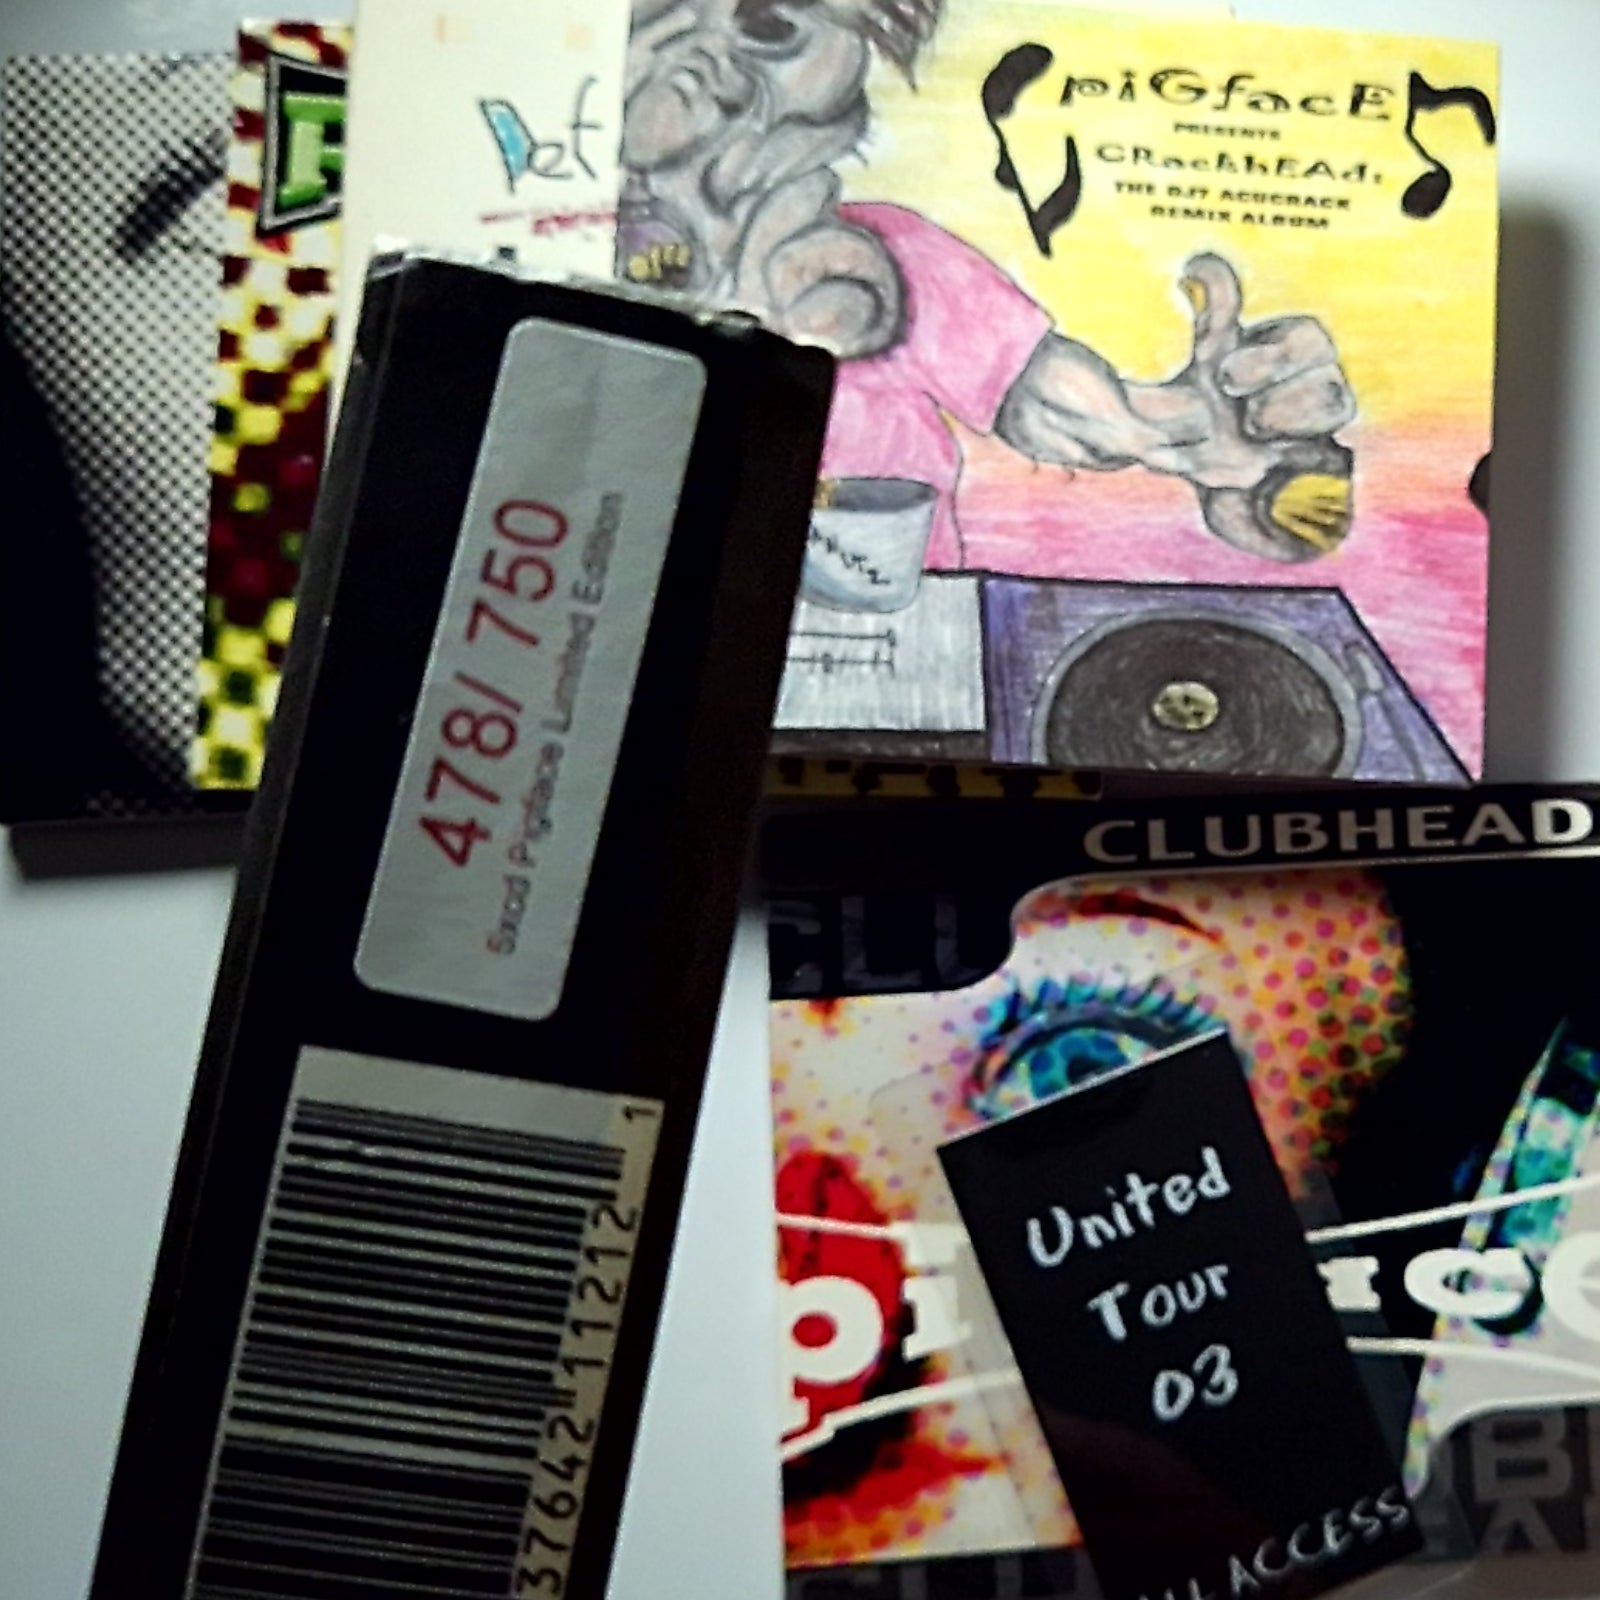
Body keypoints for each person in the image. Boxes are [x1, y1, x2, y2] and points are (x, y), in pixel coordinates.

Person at [621, 0, 1357, 571]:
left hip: (883, 676)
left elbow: (1082, 412)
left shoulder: (902, 264)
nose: (707, 47)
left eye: (771, 23)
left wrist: (1219, 442)